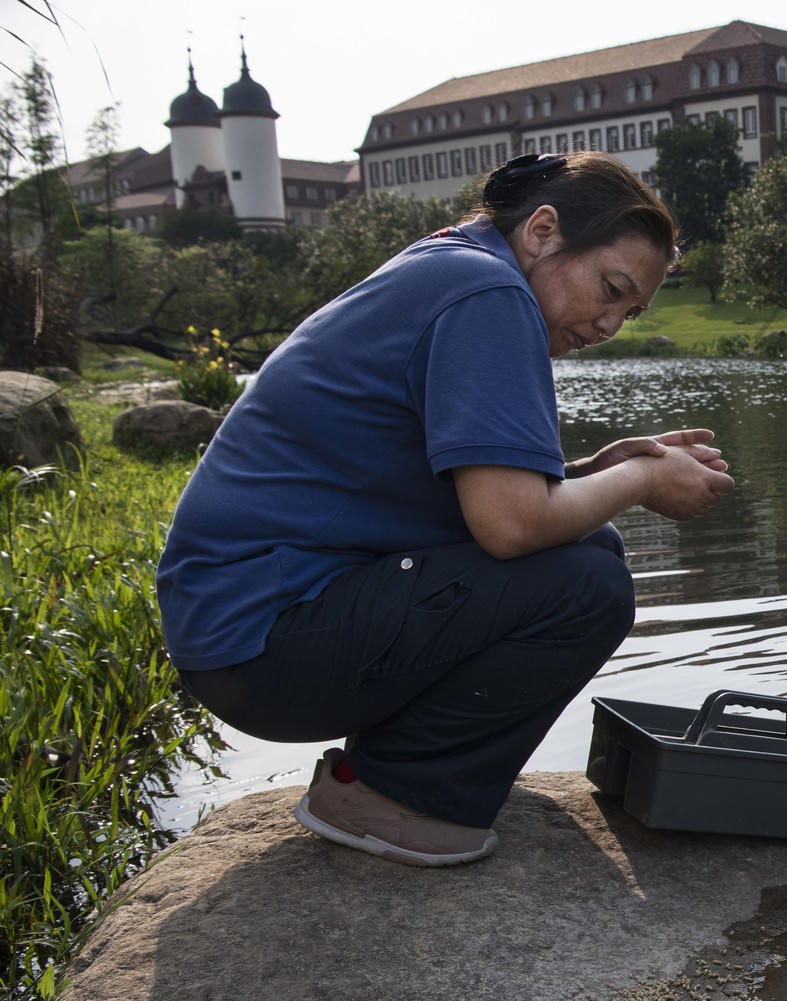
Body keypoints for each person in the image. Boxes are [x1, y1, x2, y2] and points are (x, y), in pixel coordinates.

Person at [156, 152, 734, 868]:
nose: (612, 322)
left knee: (591, 547)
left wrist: (598, 469)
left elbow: (473, 494)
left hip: (245, 636)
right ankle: (391, 794)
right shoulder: (487, 293)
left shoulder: (459, 267)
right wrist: (643, 478)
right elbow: (512, 525)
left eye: (632, 311)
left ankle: (392, 772)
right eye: (611, 290)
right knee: (588, 586)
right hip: (260, 644)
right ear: (543, 231)